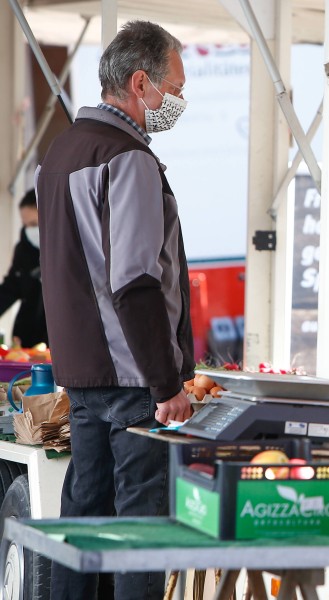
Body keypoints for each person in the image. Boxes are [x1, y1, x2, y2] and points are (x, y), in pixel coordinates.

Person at [36, 21, 194, 600]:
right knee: (138, 529)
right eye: (174, 87)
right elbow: (134, 280)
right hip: (130, 377)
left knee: (85, 516)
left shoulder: (60, 154)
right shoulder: (128, 159)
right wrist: (165, 381)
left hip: (80, 373)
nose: (179, 100)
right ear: (139, 83)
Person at [0, 189, 47, 348]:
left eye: (34, 224)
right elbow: (11, 287)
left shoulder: (67, 250)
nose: (29, 230)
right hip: (25, 340)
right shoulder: (23, 249)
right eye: (25, 225)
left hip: (58, 339)